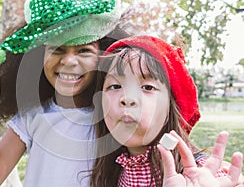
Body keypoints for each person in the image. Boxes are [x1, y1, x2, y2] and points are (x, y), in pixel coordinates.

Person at [0, 0, 130, 186]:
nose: (68, 61)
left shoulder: (120, 114)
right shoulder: (34, 115)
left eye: (84, 50)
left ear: (106, 57)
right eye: (57, 49)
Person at [90, 35, 244, 186]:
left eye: (147, 87)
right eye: (115, 86)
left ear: (171, 107)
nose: (128, 98)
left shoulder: (202, 175)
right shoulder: (107, 171)